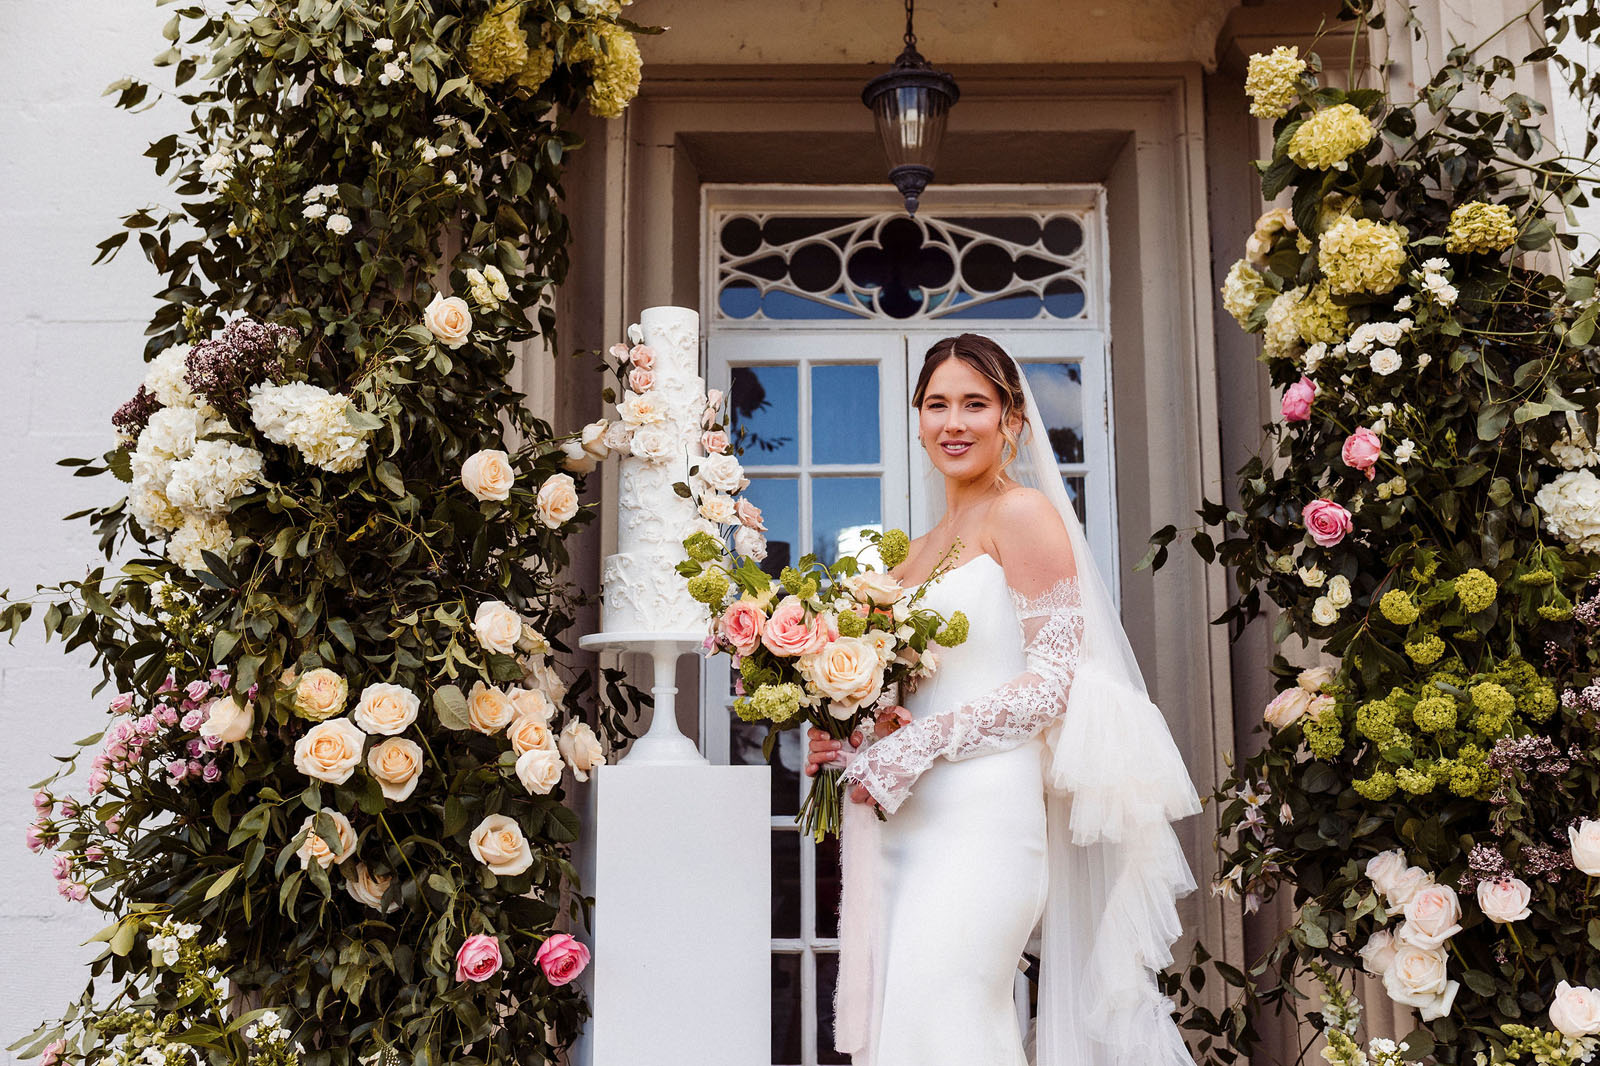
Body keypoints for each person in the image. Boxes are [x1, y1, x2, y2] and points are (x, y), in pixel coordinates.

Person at [806, 334, 1203, 1066]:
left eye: (975, 404)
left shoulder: (1022, 515)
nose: (954, 422)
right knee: (911, 1032)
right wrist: (850, 737)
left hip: (986, 818)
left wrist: (916, 744)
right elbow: (908, 700)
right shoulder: (906, 555)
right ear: (918, 419)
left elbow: (1054, 681)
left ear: (1012, 420)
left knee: (952, 1014)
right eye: (937, 404)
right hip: (906, 823)